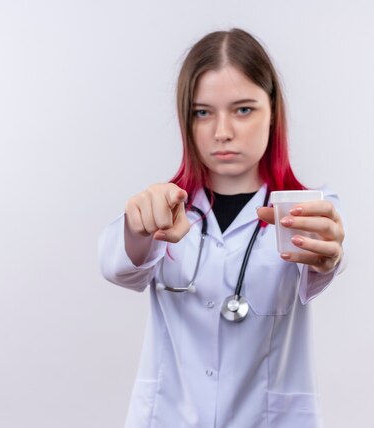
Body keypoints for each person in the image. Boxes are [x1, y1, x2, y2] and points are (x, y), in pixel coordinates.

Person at [98, 28, 346, 428]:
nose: (222, 132)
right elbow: (117, 267)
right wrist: (137, 228)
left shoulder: (307, 209)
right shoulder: (166, 208)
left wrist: (328, 255)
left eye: (243, 109)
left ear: (273, 113)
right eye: (203, 112)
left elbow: (323, 259)